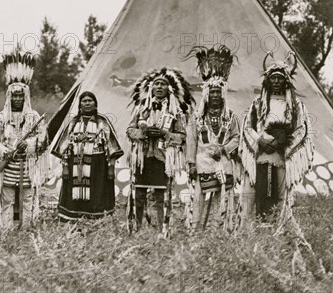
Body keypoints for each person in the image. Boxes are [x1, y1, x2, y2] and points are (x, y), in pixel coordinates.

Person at [240, 52, 314, 229]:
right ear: (267, 81)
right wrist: (260, 141)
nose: (276, 82)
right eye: (273, 78)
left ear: (286, 81)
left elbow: (302, 129)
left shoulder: (295, 106)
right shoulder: (258, 103)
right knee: (257, 192)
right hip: (261, 154)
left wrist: (282, 143)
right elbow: (247, 127)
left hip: (282, 156)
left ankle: (280, 229)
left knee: (281, 194)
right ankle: (254, 230)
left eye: (280, 78)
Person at [127, 68, 193, 235]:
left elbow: (181, 136)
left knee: (161, 195)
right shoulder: (141, 108)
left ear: (169, 88)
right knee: (139, 193)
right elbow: (129, 130)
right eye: (156, 83)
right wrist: (142, 133)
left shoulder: (175, 111)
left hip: (162, 157)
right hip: (142, 156)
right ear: (150, 87)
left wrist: (165, 133)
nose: (159, 87)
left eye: (162, 84)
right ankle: (137, 228)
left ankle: (163, 230)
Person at [185, 45, 240, 232]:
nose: (215, 95)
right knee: (199, 195)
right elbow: (191, 140)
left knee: (222, 196)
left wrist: (223, 149)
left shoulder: (231, 117)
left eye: (218, 92)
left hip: (223, 161)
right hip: (201, 162)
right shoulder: (197, 117)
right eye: (212, 92)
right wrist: (191, 163)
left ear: (223, 94)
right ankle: (196, 228)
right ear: (206, 95)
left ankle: (218, 229)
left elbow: (236, 137)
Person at [0, 51, 48, 228]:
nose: (17, 98)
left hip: (27, 166)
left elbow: (43, 139)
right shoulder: (1, 117)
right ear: (9, 96)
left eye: (20, 95)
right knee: (7, 199)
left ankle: (26, 229)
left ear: (25, 96)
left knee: (27, 199)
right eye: (14, 95)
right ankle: (7, 229)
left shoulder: (33, 117)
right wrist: (4, 150)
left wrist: (29, 144)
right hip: (8, 166)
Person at [51, 91, 124, 222]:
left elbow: (112, 146)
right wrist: (65, 167)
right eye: (84, 101)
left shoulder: (102, 122)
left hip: (98, 164)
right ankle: (74, 218)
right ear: (80, 105)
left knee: (97, 191)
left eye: (90, 100)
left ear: (96, 104)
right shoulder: (73, 122)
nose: (87, 103)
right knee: (74, 192)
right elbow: (63, 146)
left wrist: (111, 168)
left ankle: (96, 220)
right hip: (75, 163)